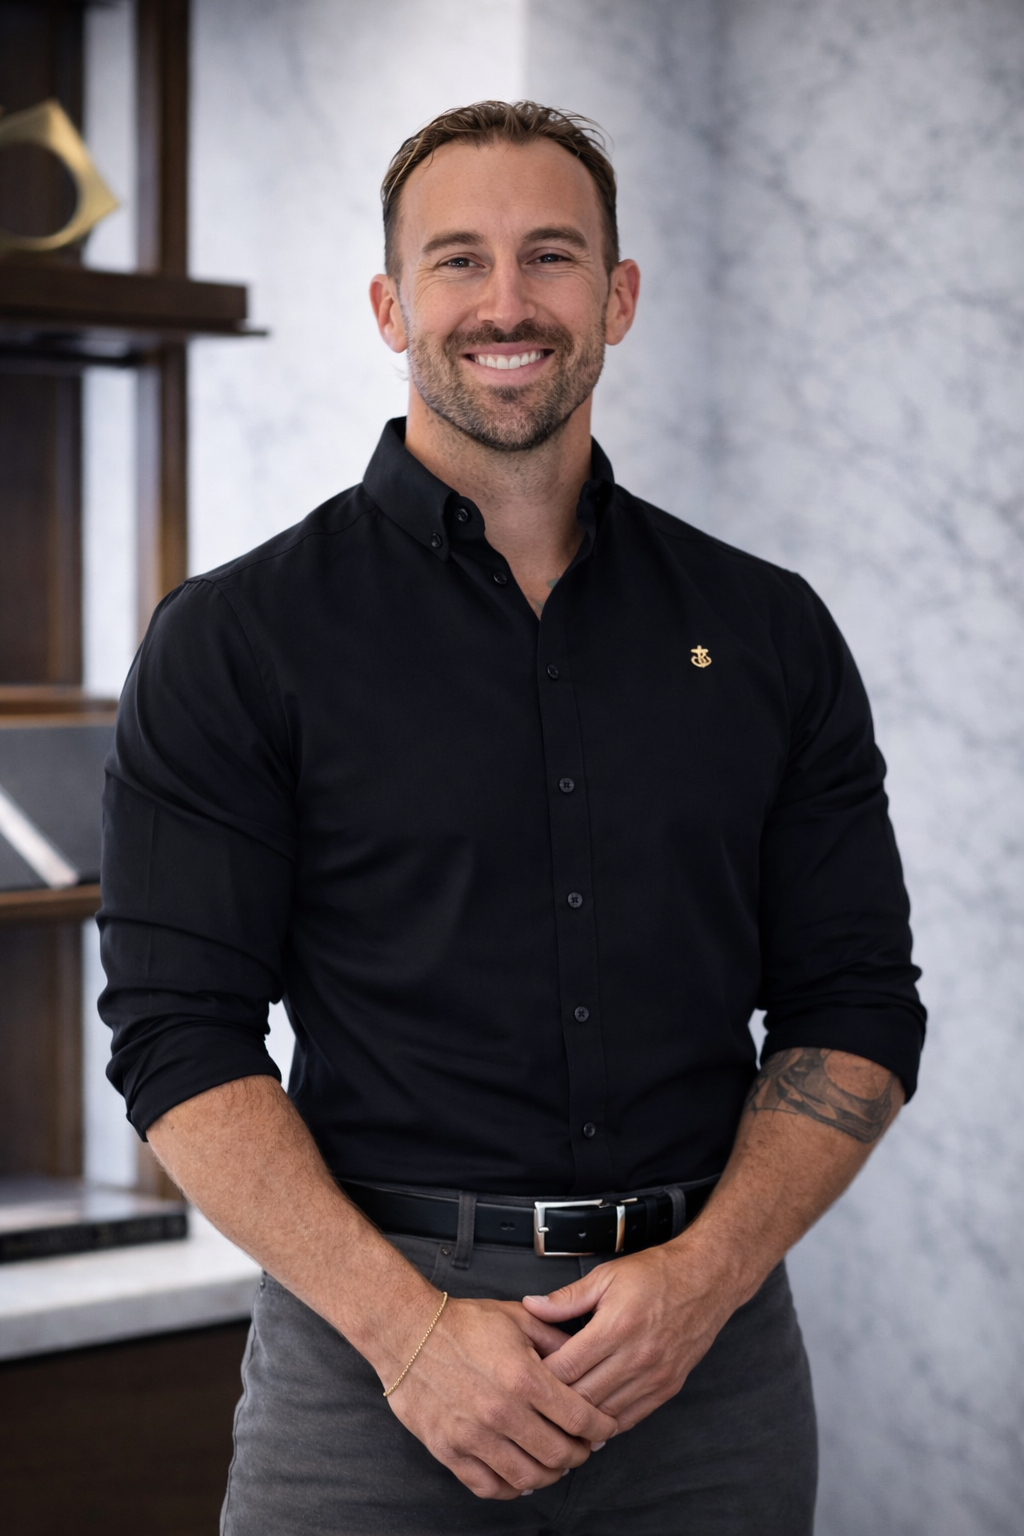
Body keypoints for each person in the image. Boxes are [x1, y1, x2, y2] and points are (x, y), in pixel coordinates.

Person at [99, 101, 925, 1535]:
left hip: (701, 1369)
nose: (506, 303)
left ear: (617, 297)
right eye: (458, 260)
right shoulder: (235, 640)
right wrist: (411, 1333)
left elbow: (855, 1001)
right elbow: (177, 1035)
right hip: (370, 1368)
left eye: (551, 257)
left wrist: (705, 1285)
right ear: (389, 303)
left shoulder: (768, 630)